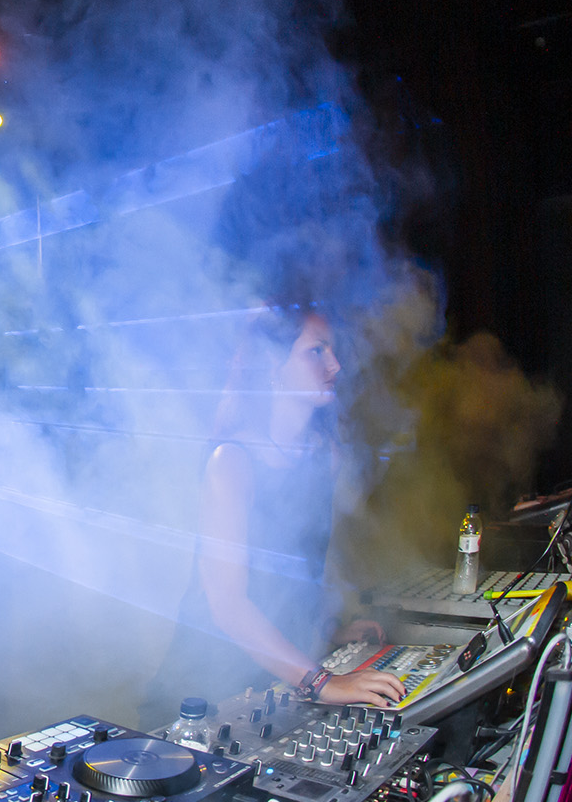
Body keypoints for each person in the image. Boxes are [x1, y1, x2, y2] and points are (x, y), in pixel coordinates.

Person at [145, 308, 404, 721]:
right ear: (271, 362)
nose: (335, 365)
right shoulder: (232, 461)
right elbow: (228, 604)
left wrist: (327, 633)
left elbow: (294, 579)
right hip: (204, 695)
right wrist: (323, 682)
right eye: (316, 351)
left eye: (332, 350)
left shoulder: (324, 454)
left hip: (276, 683)